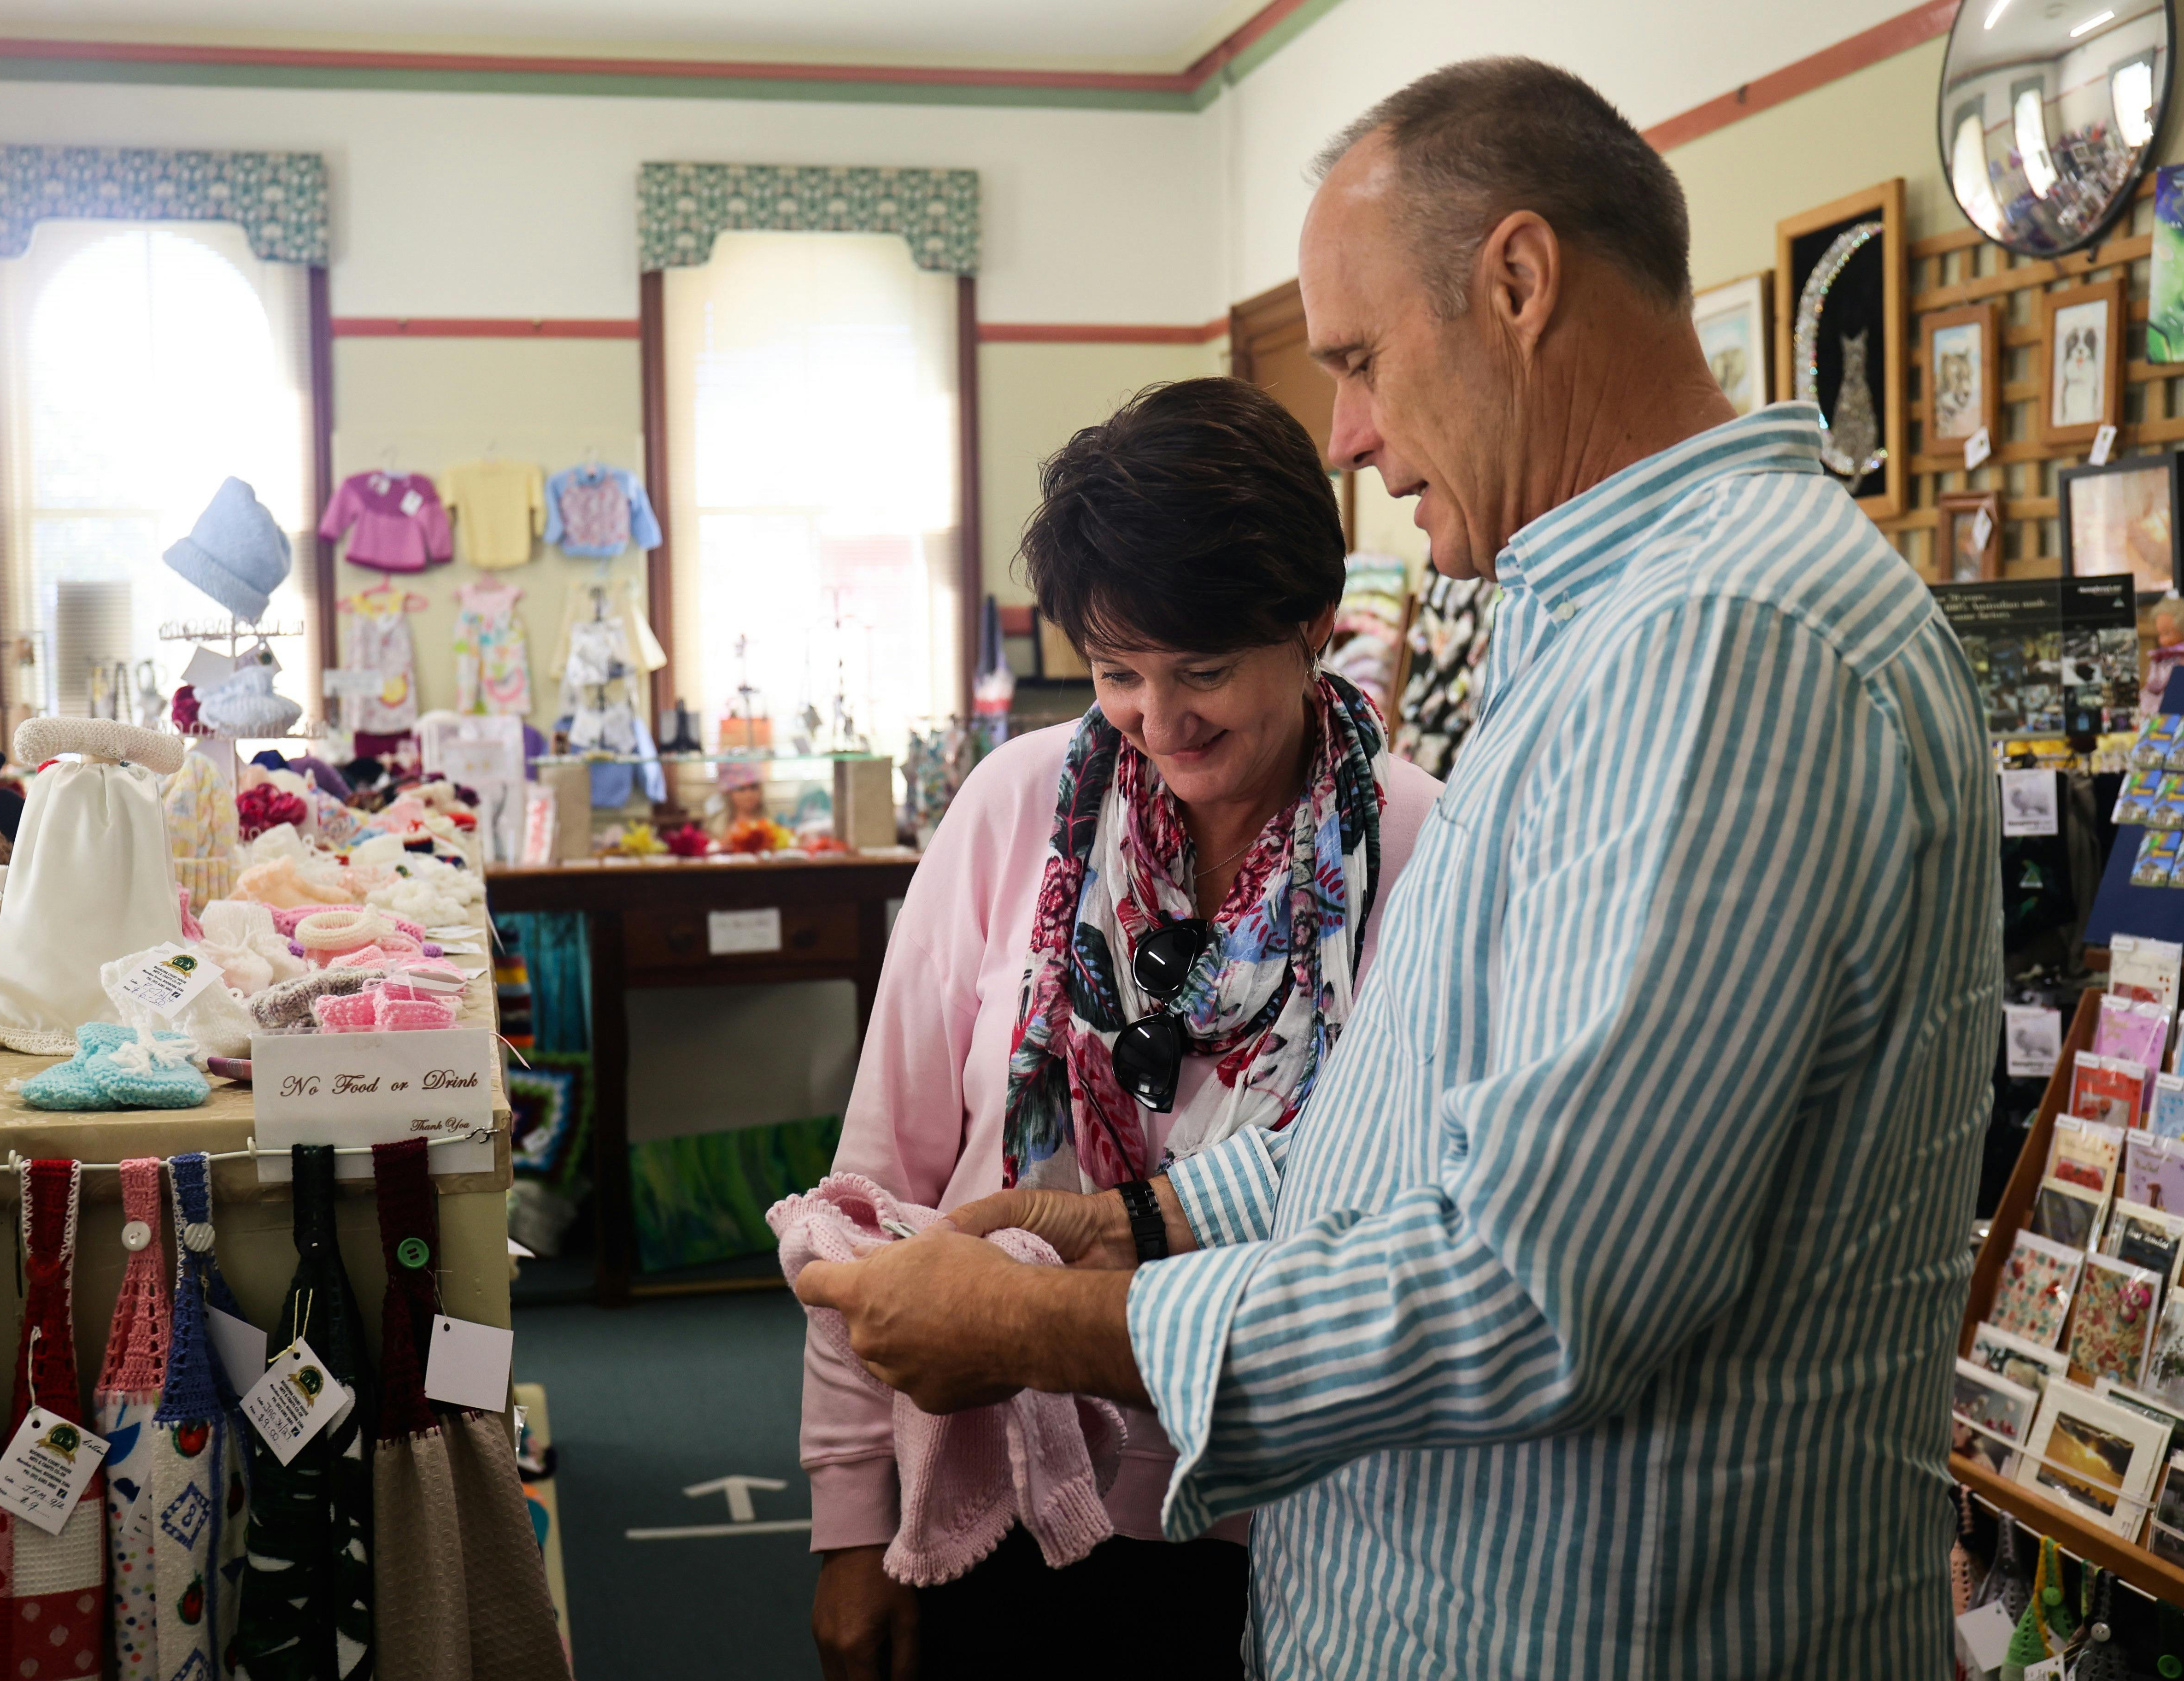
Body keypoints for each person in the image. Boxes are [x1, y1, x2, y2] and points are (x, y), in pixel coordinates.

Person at [794, 56, 1997, 1677]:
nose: (1350, 433)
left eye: (1358, 359)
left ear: (1515, 280)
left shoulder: (1720, 643)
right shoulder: (1623, 623)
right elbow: (1433, 1132)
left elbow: (1537, 1287)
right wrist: (1143, 1220)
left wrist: (1046, 1327)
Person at [804, 376, 1441, 1680]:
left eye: (1205, 669)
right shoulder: (1015, 811)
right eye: (1117, 674)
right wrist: (850, 1523)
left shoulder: (1424, 848)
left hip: (1300, 1526)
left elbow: (1411, 1209)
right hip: (1002, 1499)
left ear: (1312, 624)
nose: (1161, 720)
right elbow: (874, 1194)